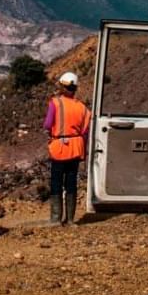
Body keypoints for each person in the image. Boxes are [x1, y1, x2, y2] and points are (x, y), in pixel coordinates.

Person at [44, 71, 90, 226]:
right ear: (75, 88)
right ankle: (70, 219)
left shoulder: (55, 103)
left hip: (59, 148)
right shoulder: (83, 108)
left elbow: (47, 124)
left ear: (63, 87)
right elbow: (84, 131)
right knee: (71, 182)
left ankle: (56, 219)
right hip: (76, 149)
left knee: (56, 182)